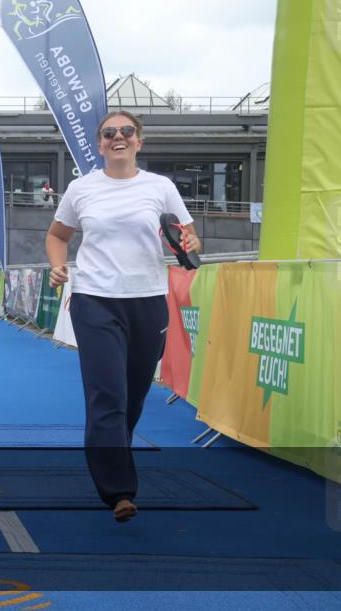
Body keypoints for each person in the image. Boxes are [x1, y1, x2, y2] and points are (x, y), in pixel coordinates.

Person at [45, 111, 200, 523]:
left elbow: (188, 233)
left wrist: (187, 241)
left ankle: (113, 452)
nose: (118, 137)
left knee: (132, 397)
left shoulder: (160, 187)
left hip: (148, 300)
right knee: (107, 395)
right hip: (95, 299)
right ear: (99, 145)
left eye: (126, 132)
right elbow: (57, 235)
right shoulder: (81, 189)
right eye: (109, 133)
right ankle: (119, 491)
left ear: (139, 142)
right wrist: (58, 266)